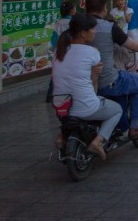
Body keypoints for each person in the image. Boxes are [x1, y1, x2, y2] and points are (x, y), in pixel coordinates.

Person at [51, 14, 123, 160]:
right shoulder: (92, 52)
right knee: (117, 110)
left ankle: (62, 137)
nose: (95, 31)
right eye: (93, 29)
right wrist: (94, 76)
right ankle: (98, 141)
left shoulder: (58, 51)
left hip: (61, 107)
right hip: (85, 107)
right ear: (83, 32)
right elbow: (94, 85)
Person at [84, 0, 138, 139]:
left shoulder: (76, 28)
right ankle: (134, 128)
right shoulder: (108, 27)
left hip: (80, 81)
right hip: (107, 80)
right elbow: (134, 46)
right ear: (104, 9)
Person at [46, 0, 77, 102]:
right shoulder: (73, 23)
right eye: (74, 8)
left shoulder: (58, 23)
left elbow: (53, 39)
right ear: (72, 11)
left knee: (56, 73)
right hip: (71, 51)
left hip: (59, 51)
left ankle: (50, 95)